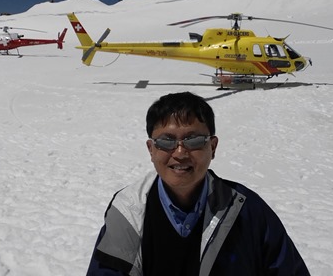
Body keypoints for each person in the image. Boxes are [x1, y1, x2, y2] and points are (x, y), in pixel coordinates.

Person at [86, 91, 310, 276]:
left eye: (193, 140)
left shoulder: (246, 210)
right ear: (151, 149)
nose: (180, 153)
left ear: (212, 147)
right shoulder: (129, 211)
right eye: (166, 141)